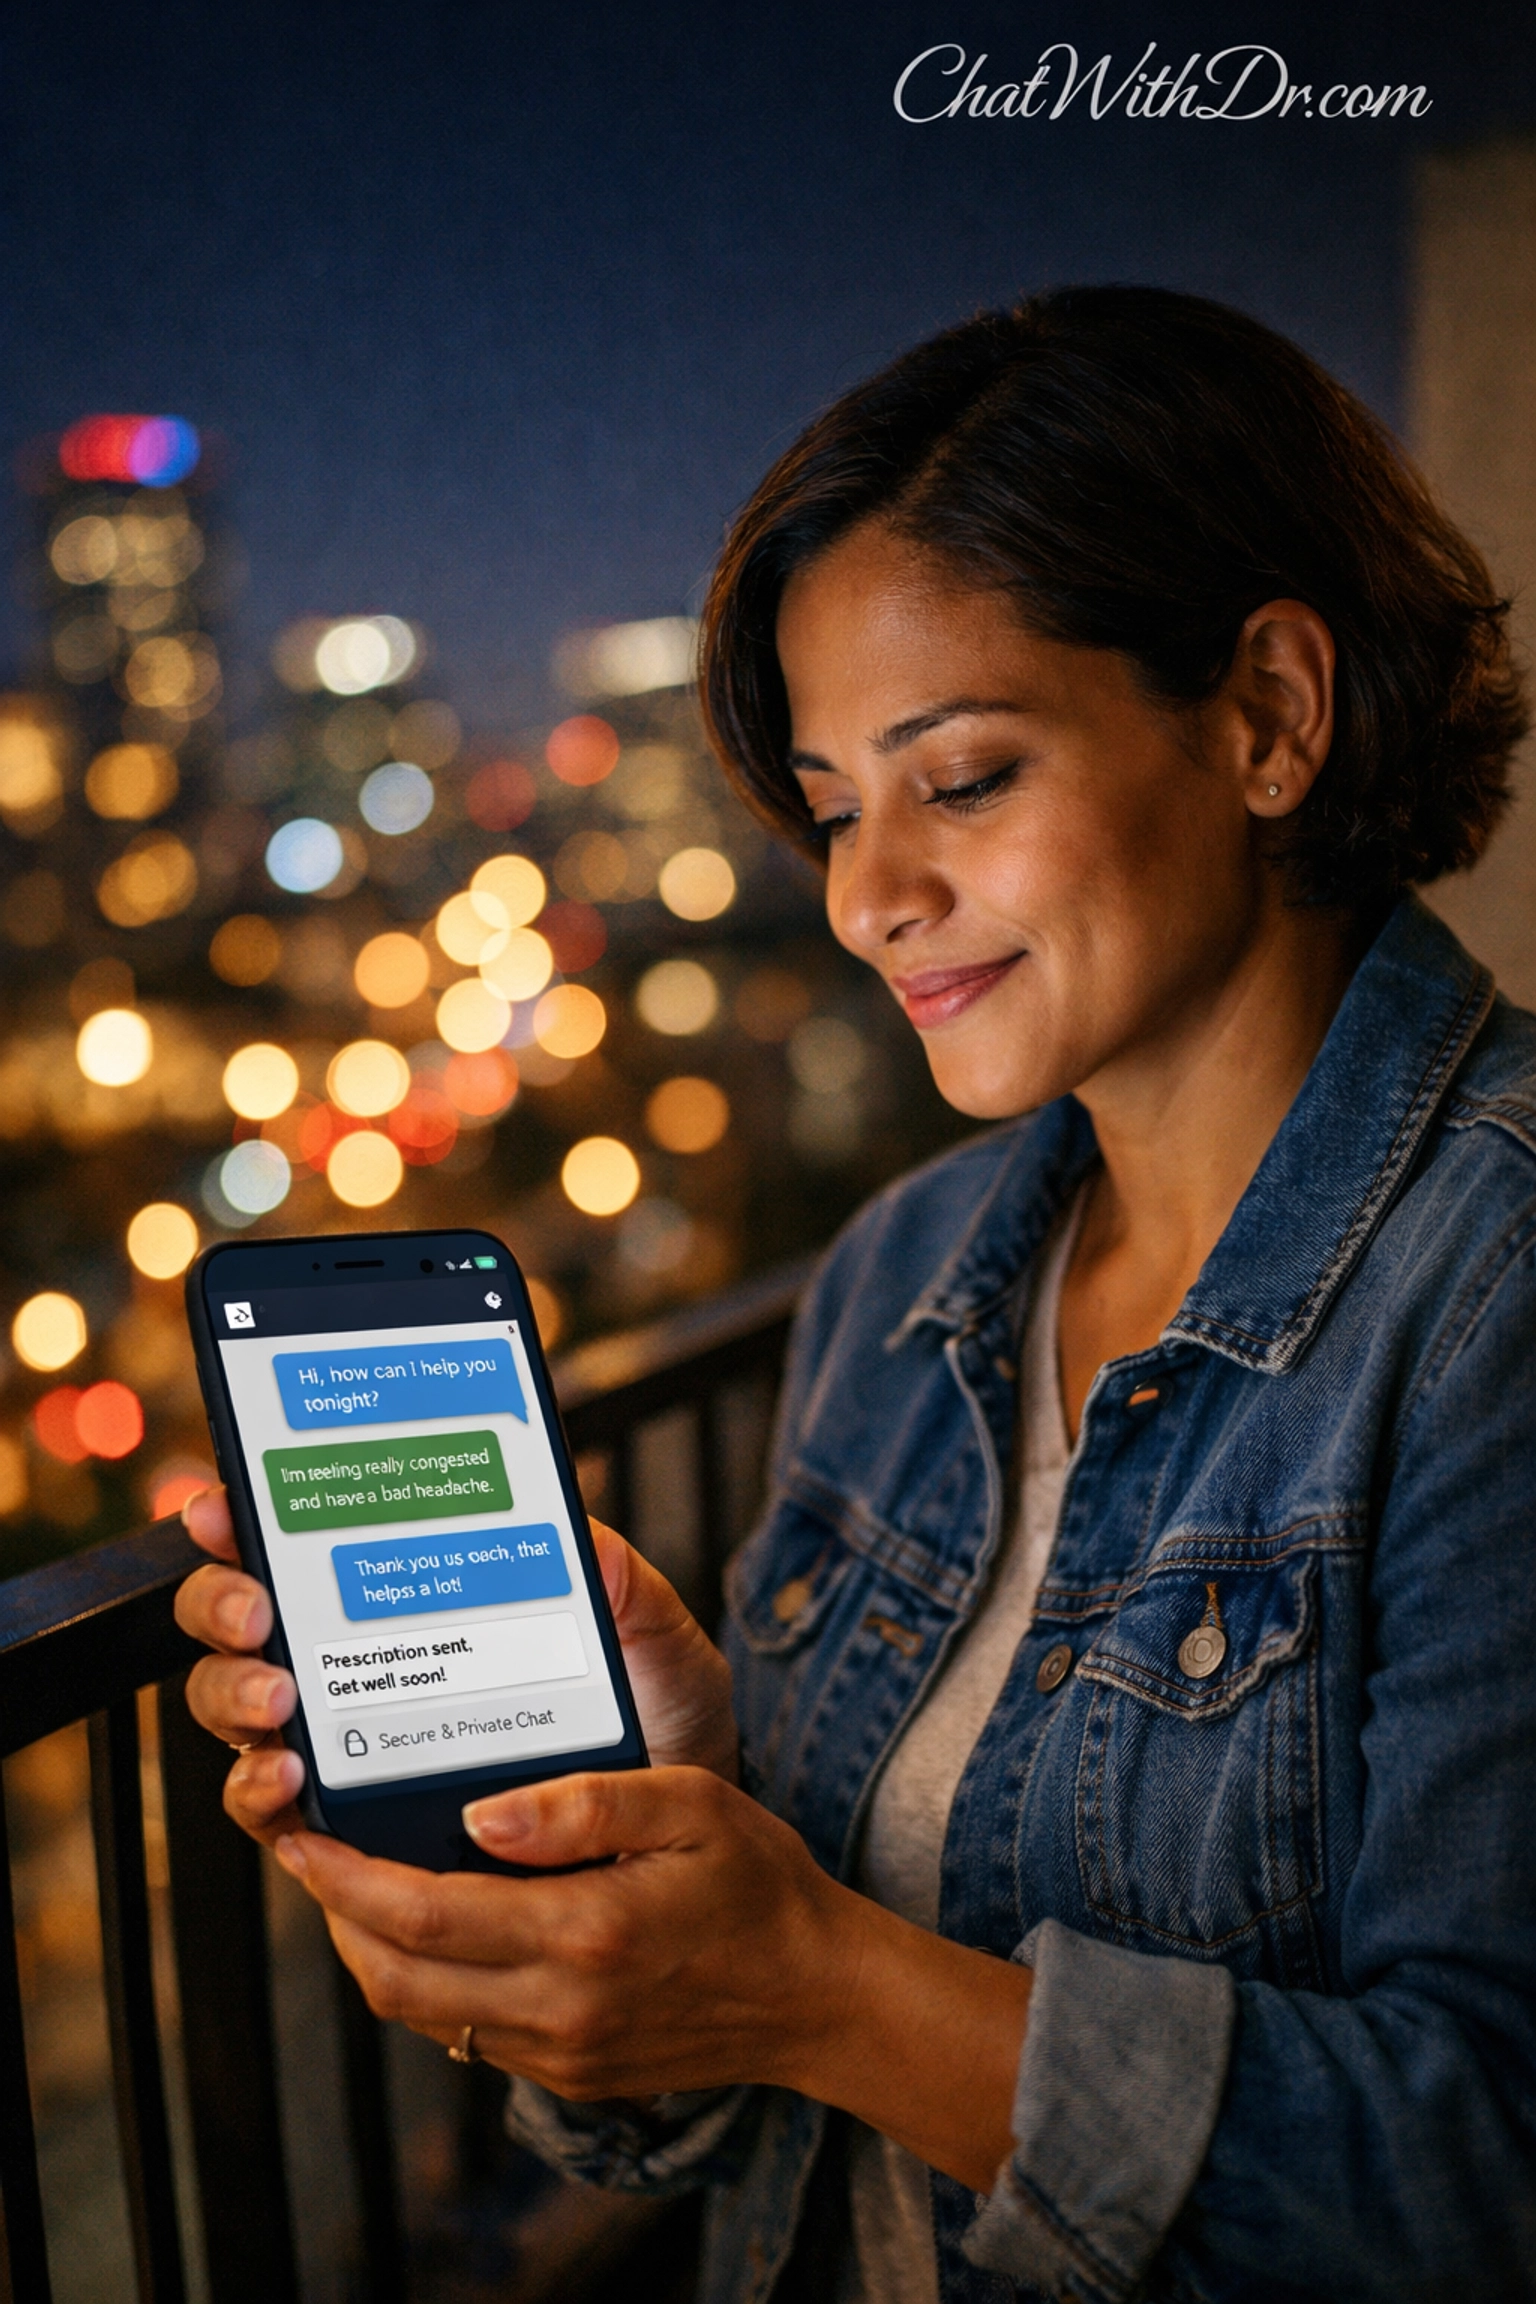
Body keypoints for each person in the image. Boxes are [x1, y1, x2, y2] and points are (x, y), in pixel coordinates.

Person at [176, 286, 1536, 2302]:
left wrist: (820, 1983)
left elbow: (1486, 2180)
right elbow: (725, 2115)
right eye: (828, 807)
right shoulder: (905, 1273)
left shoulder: (1491, 1287)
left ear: (1266, 713)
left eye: (961, 776)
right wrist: (657, 1852)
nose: (863, 893)